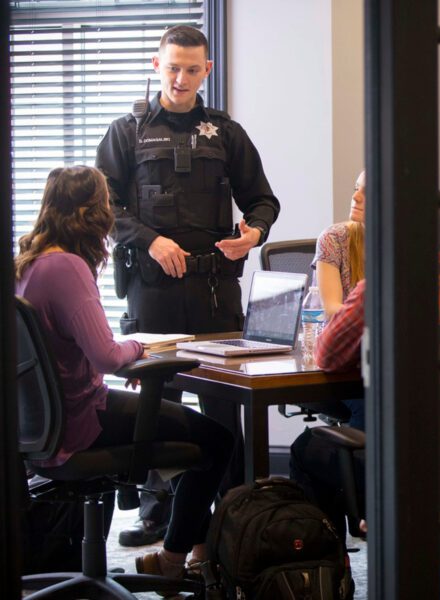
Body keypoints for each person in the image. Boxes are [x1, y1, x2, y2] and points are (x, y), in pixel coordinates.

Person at [95, 25, 279, 547]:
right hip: (152, 290)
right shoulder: (126, 131)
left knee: (224, 406)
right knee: (159, 403)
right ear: (157, 65)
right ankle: (157, 512)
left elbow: (263, 200)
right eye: (173, 67)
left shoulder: (226, 133)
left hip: (214, 291)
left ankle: (233, 513)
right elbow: (105, 206)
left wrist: (254, 234)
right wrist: (150, 240)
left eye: (192, 69)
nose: (181, 78)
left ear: (207, 71)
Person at [15, 166, 233, 579]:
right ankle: (173, 560)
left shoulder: (28, 264)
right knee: (218, 441)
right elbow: (107, 357)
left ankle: (198, 550)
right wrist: (139, 349)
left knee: (187, 437)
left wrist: (124, 355)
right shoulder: (67, 267)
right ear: (93, 213)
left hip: (42, 430)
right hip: (83, 424)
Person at [290, 210, 440, 597]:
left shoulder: (376, 290)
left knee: (308, 448)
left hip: (405, 467)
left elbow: (327, 356)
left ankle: (330, 579)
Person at [312, 170, 366, 428]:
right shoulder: (334, 239)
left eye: (367, 191)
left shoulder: (409, 243)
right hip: (343, 363)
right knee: (371, 407)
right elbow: (333, 310)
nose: (356, 197)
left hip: (387, 364)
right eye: (356, 188)